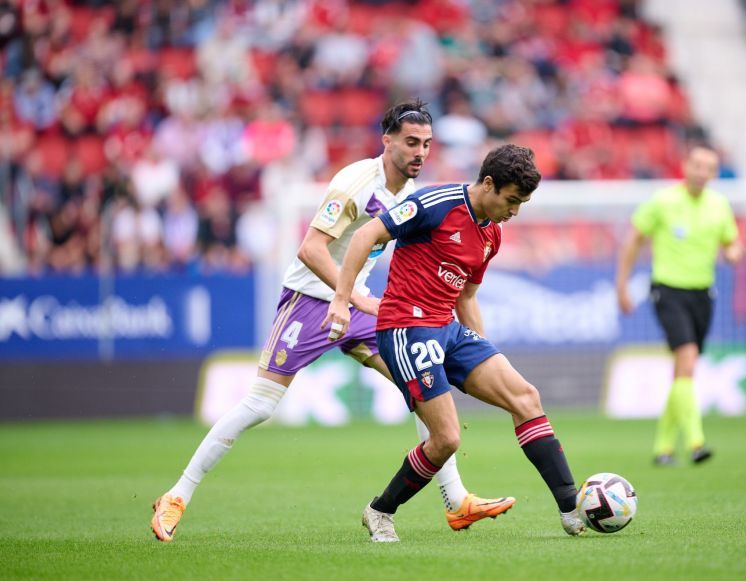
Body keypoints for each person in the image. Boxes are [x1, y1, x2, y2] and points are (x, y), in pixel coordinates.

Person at [151, 101, 515, 542]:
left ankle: (456, 500)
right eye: (411, 143)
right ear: (387, 141)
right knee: (262, 404)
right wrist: (349, 297)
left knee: (421, 388)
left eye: (426, 144)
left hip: (360, 307)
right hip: (311, 300)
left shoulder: (412, 194)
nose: (420, 153)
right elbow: (311, 248)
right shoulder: (357, 182)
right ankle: (176, 495)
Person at [324, 144, 586, 542]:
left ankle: (571, 509)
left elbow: (466, 296)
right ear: (488, 184)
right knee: (446, 439)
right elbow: (365, 235)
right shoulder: (435, 202)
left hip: (447, 329)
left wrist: (481, 349)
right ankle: (380, 511)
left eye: (522, 204)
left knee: (526, 397)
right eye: (512, 200)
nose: (514, 212)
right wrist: (342, 300)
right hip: (405, 328)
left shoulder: (491, 234)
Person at [615, 142, 743, 466]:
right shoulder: (663, 201)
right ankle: (696, 441)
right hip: (668, 290)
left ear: (714, 173)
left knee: (683, 369)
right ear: (685, 167)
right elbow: (633, 239)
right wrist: (621, 285)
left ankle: (663, 447)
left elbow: (732, 243)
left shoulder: (719, 206)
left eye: (709, 168)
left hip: (703, 294)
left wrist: (733, 253)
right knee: (687, 358)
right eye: (697, 165)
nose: (702, 172)